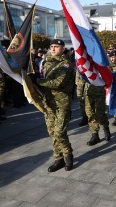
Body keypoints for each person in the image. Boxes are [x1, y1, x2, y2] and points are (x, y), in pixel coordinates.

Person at [35, 39, 75, 172]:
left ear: (63, 49)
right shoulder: (46, 62)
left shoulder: (66, 65)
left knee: (59, 131)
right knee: (52, 132)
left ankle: (68, 155)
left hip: (61, 103)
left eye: (56, 47)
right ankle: (58, 158)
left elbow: (57, 82)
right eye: (51, 46)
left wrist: (39, 81)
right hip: (49, 103)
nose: (53, 49)